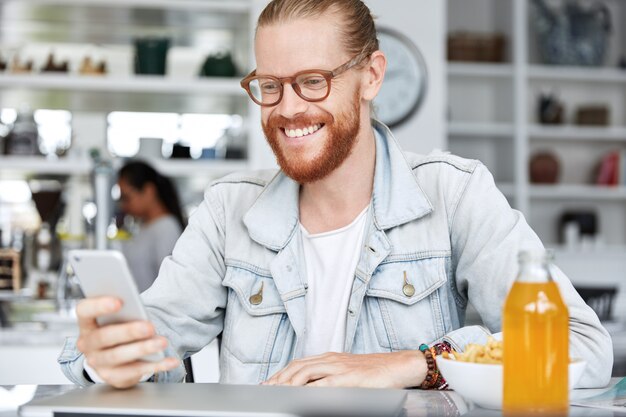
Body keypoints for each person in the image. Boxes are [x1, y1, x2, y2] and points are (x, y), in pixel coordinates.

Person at [59, 0, 612, 390]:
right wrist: (111, 358)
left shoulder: (455, 194)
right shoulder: (229, 211)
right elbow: (152, 345)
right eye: (270, 86)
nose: (288, 109)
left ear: (370, 76)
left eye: (313, 81)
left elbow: (581, 348)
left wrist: (416, 364)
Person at [117, 160, 185, 292]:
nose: (123, 206)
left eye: (127, 198)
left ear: (149, 191)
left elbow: (170, 285)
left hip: (152, 312)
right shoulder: (143, 226)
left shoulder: (166, 228)